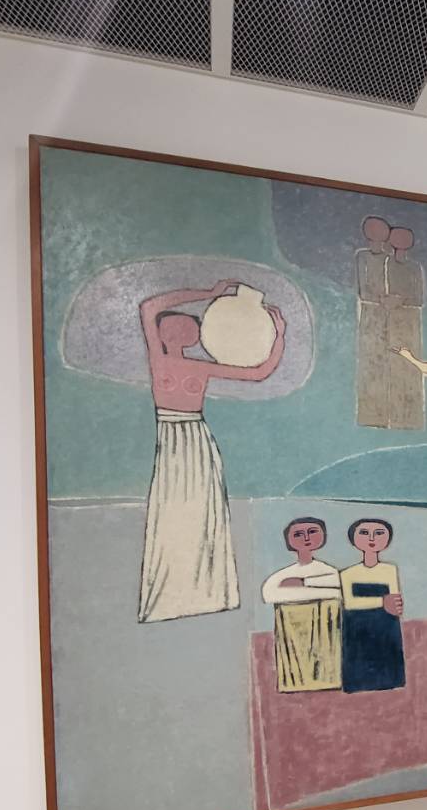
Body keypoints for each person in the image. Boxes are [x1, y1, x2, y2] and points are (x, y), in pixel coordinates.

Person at [137, 281, 286, 623]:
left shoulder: (199, 367)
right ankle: (168, 593)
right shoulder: (159, 359)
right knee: (172, 507)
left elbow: (258, 373)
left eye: (186, 324)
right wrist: (208, 293)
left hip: (197, 437)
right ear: (163, 333)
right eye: (172, 324)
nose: (180, 328)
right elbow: (149, 307)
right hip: (171, 435)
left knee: (203, 509)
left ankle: (206, 592)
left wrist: (279, 335)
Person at [260, 518, 343, 692]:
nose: (306, 538)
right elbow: (269, 592)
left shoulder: (328, 571)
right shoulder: (283, 574)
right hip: (292, 625)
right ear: (289, 540)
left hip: (324, 625)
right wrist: (319, 589)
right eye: (298, 534)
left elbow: (341, 587)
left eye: (312, 532)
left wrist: (304, 583)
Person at [339, 518, 406, 693]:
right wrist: (382, 602)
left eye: (379, 533)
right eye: (364, 533)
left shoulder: (389, 570)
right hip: (357, 625)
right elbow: (349, 603)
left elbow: (395, 601)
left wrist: (392, 605)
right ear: (353, 539)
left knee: (388, 666)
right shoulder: (347, 573)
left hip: (386, 624)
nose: (371, 538)